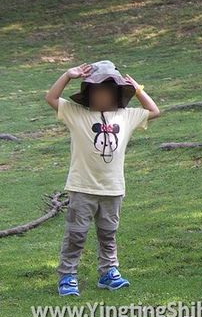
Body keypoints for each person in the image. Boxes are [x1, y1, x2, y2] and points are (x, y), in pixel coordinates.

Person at [44, 60, 160, 296]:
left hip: (113, 189)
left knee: (108, 234)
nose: (103, 96)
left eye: (108, 90)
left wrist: (137, 90)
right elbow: (51, 98)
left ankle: (108, 272)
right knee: (76, 235)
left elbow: (154, 111)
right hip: (81, 188)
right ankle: (67, 275)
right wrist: (68, 75)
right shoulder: (77, 114)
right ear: (88, 94)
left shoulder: (125, 116)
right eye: (97, 90)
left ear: (117, 94)